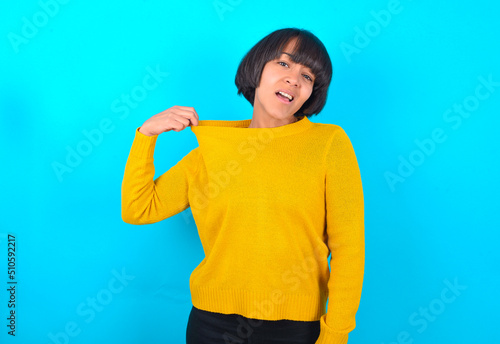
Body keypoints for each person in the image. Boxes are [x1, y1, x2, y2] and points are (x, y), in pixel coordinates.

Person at [121, 28, 365, 344]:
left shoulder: (329, 144)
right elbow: (138, 208)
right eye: (285, 64)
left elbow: (349, 249)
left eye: (308, 77)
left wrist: (336, 334)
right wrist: (146, 136)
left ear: (311, 93)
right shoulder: (212, 149)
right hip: (211, 325)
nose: (294, 79)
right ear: (258, 68)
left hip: (294, 329)